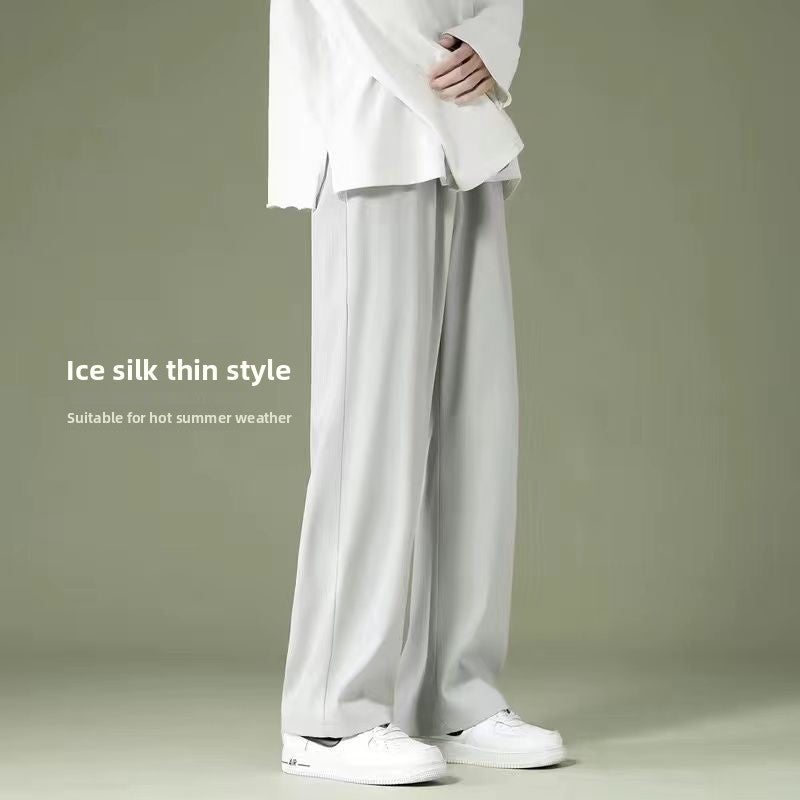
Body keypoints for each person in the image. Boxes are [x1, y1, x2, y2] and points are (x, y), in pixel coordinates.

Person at [267, 0, 565, 785]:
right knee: (370, 430)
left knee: (478, 423)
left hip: (466, 134)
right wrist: (463, 90)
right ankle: (328, 718)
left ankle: (455, 695)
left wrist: (491, 41)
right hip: (371, 128)